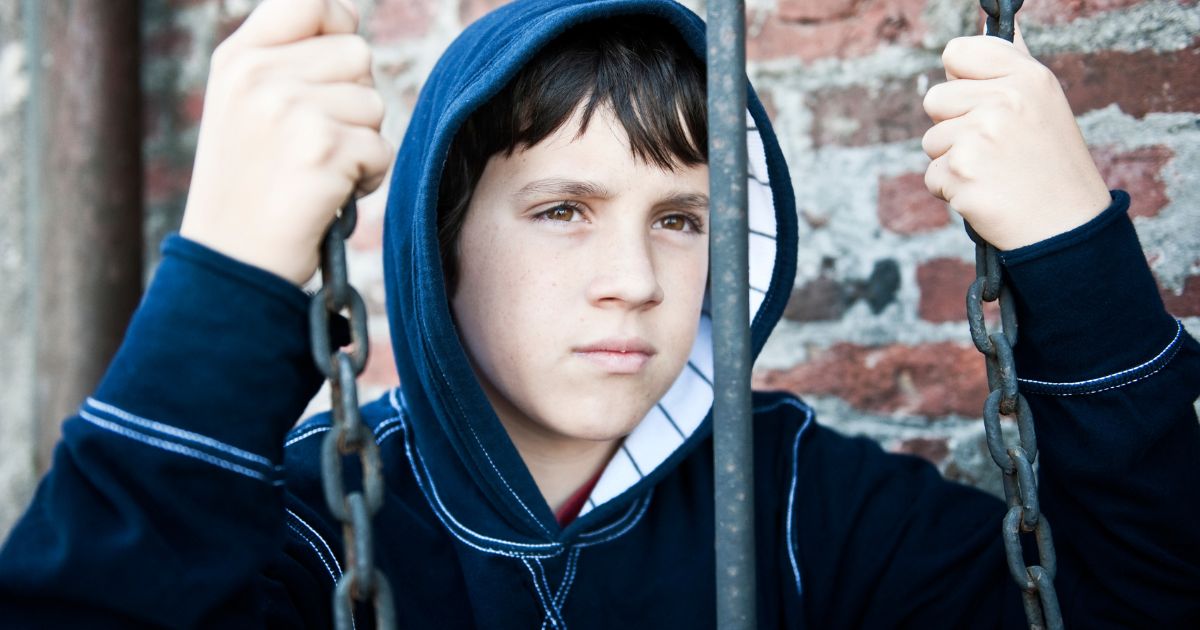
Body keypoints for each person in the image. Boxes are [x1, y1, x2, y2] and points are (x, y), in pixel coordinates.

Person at [1, 0, 1197, 627]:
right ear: (442, 242)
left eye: (681, 219)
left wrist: (1075, 256)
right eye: (563, 208)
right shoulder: (306, 532)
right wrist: (231, 271)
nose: (633, 276)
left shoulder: (801, 508)